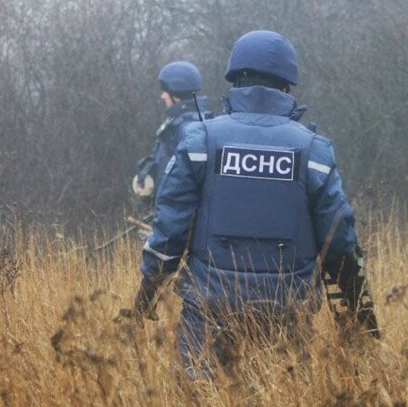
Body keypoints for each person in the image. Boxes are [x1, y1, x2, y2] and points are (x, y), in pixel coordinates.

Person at [133, 30, 377, 378]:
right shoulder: (313, 150)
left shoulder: (200, 140)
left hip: (208, 313)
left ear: (235, 79)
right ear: (287, 86)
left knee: (201, 394)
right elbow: (339, 242)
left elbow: (168, 233)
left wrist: (145, 298)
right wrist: (359, 313)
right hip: (287, 314)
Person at [132, 61, 212, 203]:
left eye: (165, 91)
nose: (162, 96)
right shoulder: (179, 123)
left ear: (175, 94)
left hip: (176, 211)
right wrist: (148, 172)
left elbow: (186, 181)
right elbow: (169, 165)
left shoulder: (189, 128)